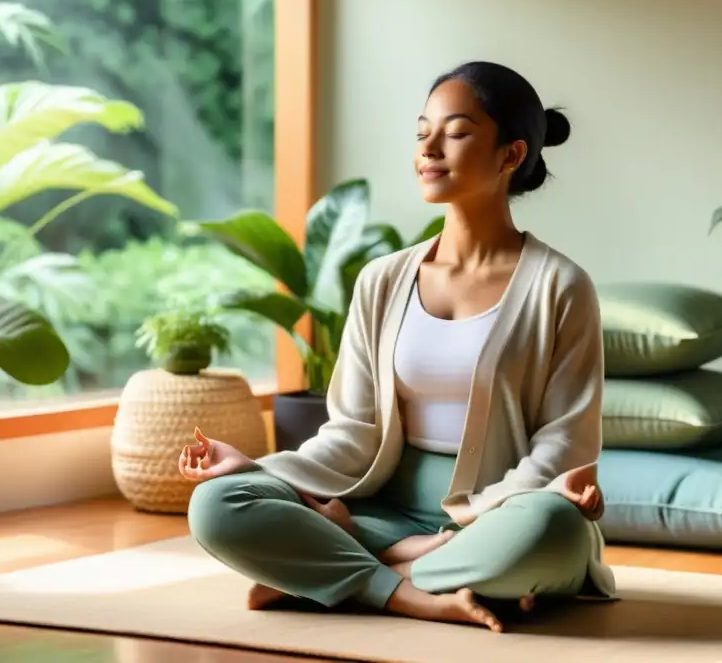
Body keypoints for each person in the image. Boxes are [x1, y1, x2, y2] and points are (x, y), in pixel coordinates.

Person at [180, 61, 615, 633]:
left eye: (456, 133)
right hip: (377, 511)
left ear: (511, 155)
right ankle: (413, 590)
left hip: (504, 514)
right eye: (421, 132)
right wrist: (266, 472)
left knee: (550, 531)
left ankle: (339, 577)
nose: (429, 149)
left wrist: (471, 520)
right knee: (216, 506)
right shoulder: (382, 280)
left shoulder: (560, 285)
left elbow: (564, 444)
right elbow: (352, 428)